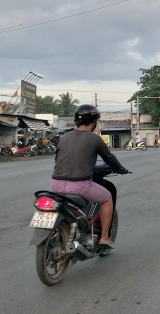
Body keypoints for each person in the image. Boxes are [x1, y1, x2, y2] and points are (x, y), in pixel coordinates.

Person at [50, 104, 128, 249]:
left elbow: (58, 160)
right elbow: (110, 159)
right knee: (106, 198)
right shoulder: (95, 139)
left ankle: (56, 232)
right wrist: (121, 169)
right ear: (94, 122)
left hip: (56, 184)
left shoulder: (64, 137)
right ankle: (104, 238)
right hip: (80, 186)